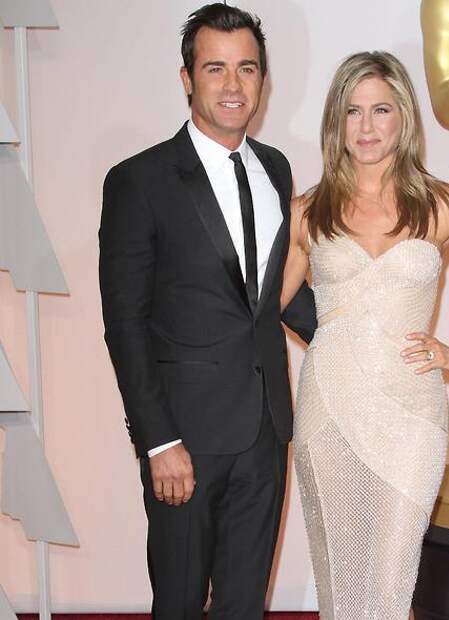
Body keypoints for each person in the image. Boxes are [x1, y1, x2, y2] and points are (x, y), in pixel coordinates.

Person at [281, 51, 449, 619]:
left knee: (392, 580)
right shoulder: (308, 211)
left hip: (412, 414)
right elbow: (264, 306)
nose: (367, 126)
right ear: (336, 121)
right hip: (330, 408)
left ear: (403, 116)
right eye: (353, 111)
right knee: (340, 581)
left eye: (381, 109)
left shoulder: (441, 203)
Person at [99, 4, 316, 619]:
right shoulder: (139, 180)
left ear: (262, 79)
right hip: (185, 438)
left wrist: (356, 334)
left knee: (244, 603)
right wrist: (158, 440)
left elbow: (272, 294)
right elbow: (125, 324)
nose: (232, 84)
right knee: (179, 601)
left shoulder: (275, 168)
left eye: (246, 68)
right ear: (187, 78)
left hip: (266, 430)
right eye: (214, 68)